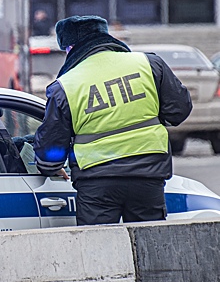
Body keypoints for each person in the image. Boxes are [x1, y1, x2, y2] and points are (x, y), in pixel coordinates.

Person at [33, 15, 192, 226]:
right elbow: (179, 110)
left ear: (70, 48)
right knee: (148, 247)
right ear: (105, 36)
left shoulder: (65, 86)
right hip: (147, 176)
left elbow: (50, 151)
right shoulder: (149, 64)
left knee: (98, 250)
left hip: (97, 184)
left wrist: (50, 167)